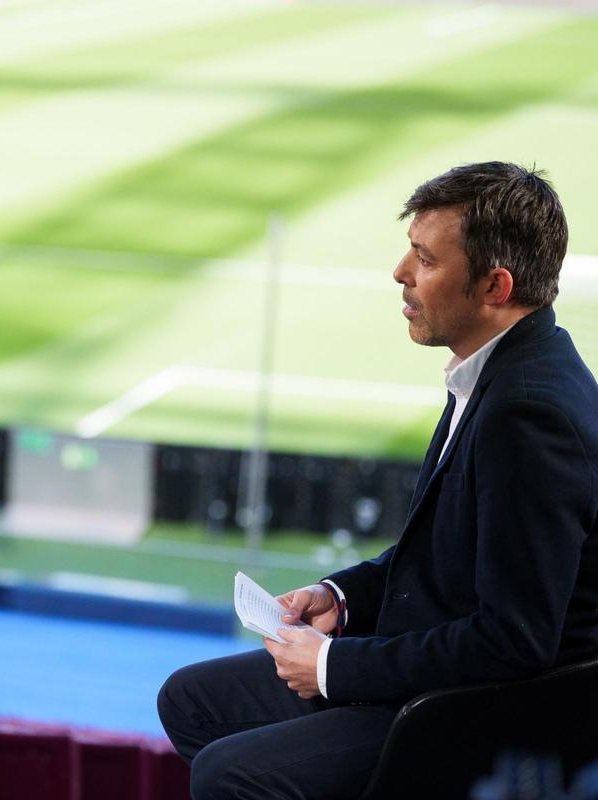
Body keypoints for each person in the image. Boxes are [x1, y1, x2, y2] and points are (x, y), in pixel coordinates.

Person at [157, 161, 598, 799]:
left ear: (494, 286)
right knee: (191, 699)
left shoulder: (530, 415)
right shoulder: (497, 370)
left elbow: (514, 640)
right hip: (437, 667)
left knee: (231, 773)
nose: (400, 272)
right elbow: (446, 555)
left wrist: (336, 666)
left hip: (480, 710)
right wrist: (344, 597)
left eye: (425, 258)